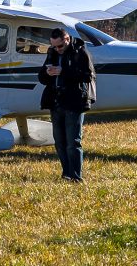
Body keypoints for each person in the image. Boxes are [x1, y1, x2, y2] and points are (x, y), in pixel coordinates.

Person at [38, 28, 96, 182]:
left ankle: (76, 176)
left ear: (67, 40)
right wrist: (47, 73)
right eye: (54, 46)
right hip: (56, 102)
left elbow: (88, 75)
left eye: (60, 46)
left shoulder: (81, 52)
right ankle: (67, 174)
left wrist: (63, 71)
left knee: (73, 142)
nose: (57, 49)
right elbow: (41, 77)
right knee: (59, 142)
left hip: (74, 102)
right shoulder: (52, 53)